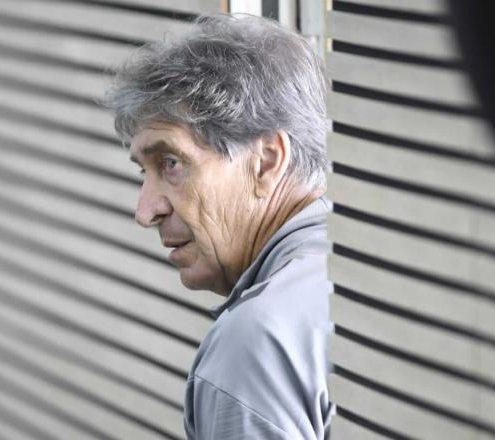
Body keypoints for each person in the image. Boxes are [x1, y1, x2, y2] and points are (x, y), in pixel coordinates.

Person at [105, 13, 333, 439]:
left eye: (171, 163)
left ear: (266, 162)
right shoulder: (355, 282)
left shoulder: (254, 346)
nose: (145, 211)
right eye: (144, 172)